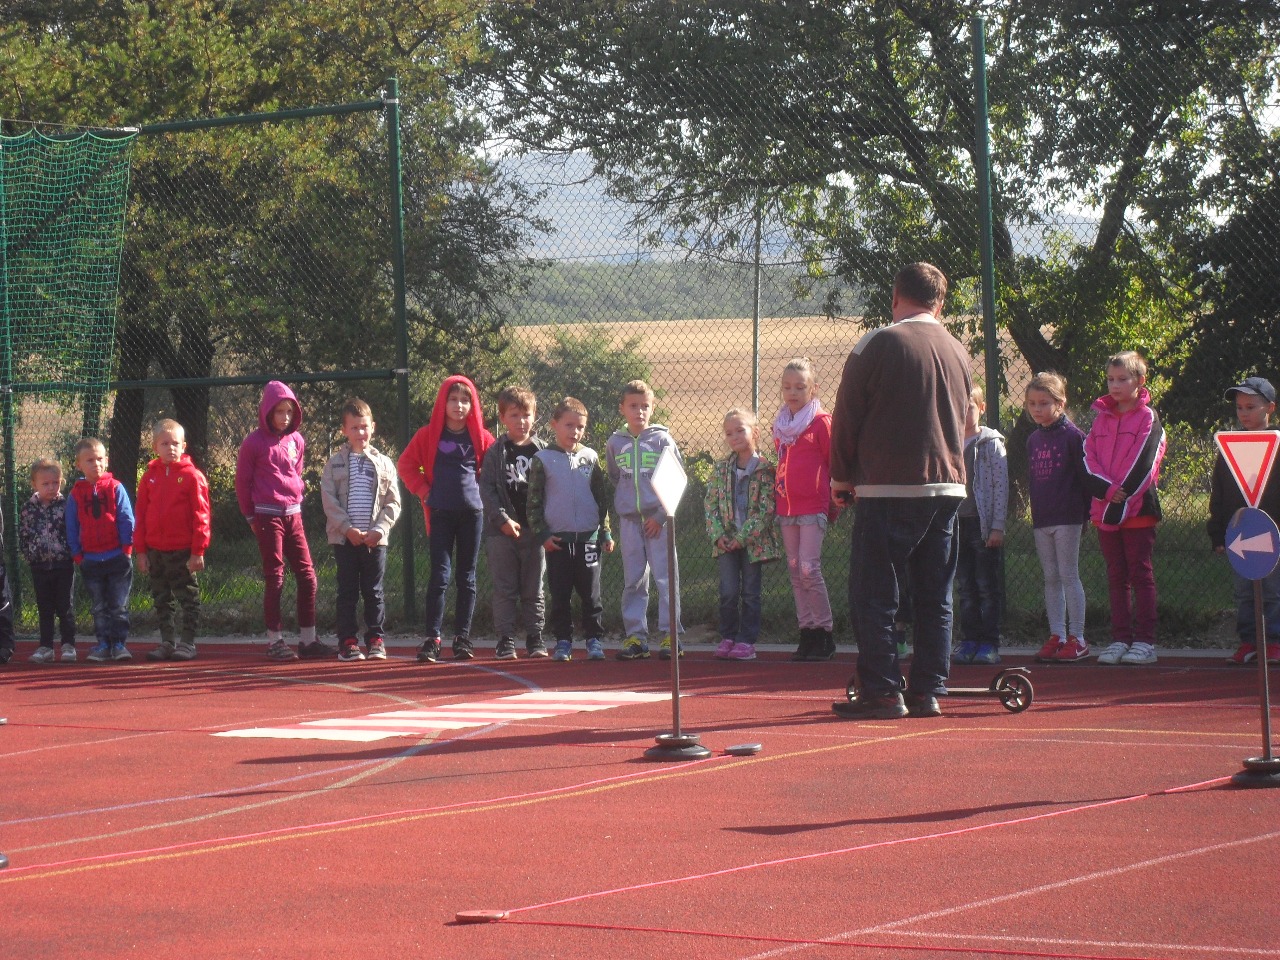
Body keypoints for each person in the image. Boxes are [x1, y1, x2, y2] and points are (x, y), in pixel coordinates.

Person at [829, 262, 971, 720]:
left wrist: (840, 476)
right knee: (935, 592)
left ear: (895, 297)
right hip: (947, 484)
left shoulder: (878, 342)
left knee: (875, 592)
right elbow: (964, 420)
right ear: (939, 303)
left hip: (888, 485)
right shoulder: (958, 350)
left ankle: (884, 691)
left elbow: (847, 416)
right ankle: (929, 689)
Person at [398, 374, 495, 663]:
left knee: (467, 577)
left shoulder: (482, 438)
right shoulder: (427, 435)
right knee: (440, 576)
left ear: (473, 405)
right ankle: (433, 638)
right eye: (453, 399)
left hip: (472, 515)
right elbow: (406, 465)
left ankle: (462, 638)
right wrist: (424, 491)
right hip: (440, 514)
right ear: (443, 402)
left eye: (465, 400)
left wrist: (483, 494)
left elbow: (492, 471)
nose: (459, 405)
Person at [235, 381, 329, 661]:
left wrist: (296, 501)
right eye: (279, 411)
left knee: (308, 576)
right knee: (275, 576)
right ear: (267, 411)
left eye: (289, 411)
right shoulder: (253, 443)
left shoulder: (296, 441)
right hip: (267, 516)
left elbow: (296, 474)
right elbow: (242, 483)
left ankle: (308, 640)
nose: (285, 417)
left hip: (293, 515)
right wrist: (251, 516)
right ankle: (275, 640)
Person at [1084, 351, 1166, 665]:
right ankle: (1120, 639)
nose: (1115, 385)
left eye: (1122, 379)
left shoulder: (1148, 417)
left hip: (1138, 509)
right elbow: (1088, 457)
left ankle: (1145, 642)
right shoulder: (1100, 418)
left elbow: (1146, 461)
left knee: (1140, 573)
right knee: (1116, 575)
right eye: (1110, 379)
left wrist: (1123, 494)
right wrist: (1106, 491)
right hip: (1105, 509)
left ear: (1139, 381)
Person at [528, 397, 614, 661]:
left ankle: (594, 640)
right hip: (558, 540)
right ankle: (563, 641)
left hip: (589, 539)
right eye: (569, 425)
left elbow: (601, 499)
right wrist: (543, 534)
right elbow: (533, 502)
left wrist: (605, 531)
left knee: (591, 594)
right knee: (560, 593)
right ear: (554, 424)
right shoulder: (542, 459)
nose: (575, 431)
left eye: (580, 427)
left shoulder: (591, 457)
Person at [606, 379, 684, 660]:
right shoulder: (615, 443)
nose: (639, 411)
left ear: (652, 408)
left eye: (644, 406)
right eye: (633, 406)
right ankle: (636, 637)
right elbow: (615, 476)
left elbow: (676, 480)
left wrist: (660, 516)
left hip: (658, 523)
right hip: (629, 522)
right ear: (622, 408)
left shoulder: (662, 440)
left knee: (665, 578)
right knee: (634, 581)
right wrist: (628, 507)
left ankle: (670, 635)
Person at [321, 398, 402, 662]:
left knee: (374, 591)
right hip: (345, 541)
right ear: (344, 430)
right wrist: (347, 529)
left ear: (373, 427)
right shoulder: (334, 464)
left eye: (364, 427)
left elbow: (393, 502)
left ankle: (376, 639)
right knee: (347, 591)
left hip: (374, 542)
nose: (360, 433)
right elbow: (329, 501)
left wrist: (379, 530)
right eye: (354, 428)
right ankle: (347, 642)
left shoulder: (385, 463)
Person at [1207, 377, 1280, 665]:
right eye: (1239, 408)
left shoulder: (1277, 444)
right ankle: (1249, 641)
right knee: (1244, 592)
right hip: (1239, 533)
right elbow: (1219, 492)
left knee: (1273, 591)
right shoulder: (1230, 447)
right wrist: (1217, 532)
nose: (1244, 413)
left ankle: (1274, 642)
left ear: (1270, 408)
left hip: (1273, 532)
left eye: (1251, 407)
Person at [773, 357, 839, 661]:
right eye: (787, 387)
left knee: (809, 568)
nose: (793, 392)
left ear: (813, 389)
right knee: (794, 568)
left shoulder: (821, 422)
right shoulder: (781, 425)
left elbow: (833, 462)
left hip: (813, 505)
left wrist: (834, 501)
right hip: (787, 507)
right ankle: (807, 632)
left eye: (800, 387)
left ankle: (825, 633)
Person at [704, 408, 782, 661]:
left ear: (754, 432)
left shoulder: (765, 469)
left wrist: (743, 538)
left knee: (750, 592)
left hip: (752, 543)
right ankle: (728, 636)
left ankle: (746, 640)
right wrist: (719, 535)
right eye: (729, 433)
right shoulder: (720, 469)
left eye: (740, 430)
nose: (734, 436)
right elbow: (710, 505)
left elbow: (766, 509)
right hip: (725, 542)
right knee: (728, 591)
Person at [1024, 372, 1092, 662]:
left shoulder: (1074, 437)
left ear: (1060, 403)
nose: (1037, 409)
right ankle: (1057, 635)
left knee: (1068, 574)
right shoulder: (1033, 440)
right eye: (1032, 403)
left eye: (1044, 403)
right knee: (1050, 576)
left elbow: (1085, 479)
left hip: (1068, 516)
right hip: (1043, 518)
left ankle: (1078, 637)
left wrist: (1085, 514)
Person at [135, 419, 212, 662]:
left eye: (175, 443)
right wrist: (141, 551)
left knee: (188, 597)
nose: (171, 448)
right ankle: (167, 641)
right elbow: (141, 514)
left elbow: (201, 515)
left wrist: (198, 551)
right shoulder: (148, 478)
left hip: (182, 550)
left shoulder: (192, 477)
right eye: (165, 443)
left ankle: (188, 642)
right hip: (155, 551)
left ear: (184, 446)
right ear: (155, 447)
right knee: (161, 599)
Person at [479, 386, 547, 660]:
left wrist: (543, 524)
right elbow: (487, 489)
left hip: (534, 532)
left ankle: (535, 637)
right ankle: (505, 640)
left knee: (534, 589)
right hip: (501, 533)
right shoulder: (496, 451)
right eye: (514, 415)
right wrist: (502, 519)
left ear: (535, 416)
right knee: (505, 589)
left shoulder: (543, 451)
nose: (521, 421)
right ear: (503, 417)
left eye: (526, 415)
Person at [66, 438, 135, 663]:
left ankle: (119, 644)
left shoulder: (115, 487)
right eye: (89, 460)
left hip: (117, 557)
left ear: (106, 460)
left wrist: (127, 548)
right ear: (78, 465)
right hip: (91, 560)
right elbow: (71, 525)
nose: (96, 464)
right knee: (99, 606)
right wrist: (78, 555)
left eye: (99, 459)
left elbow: (126, 518)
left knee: (118, 605)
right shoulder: (76, 494)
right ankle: (103, 644)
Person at [952, 386, 1008, 665]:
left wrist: (997, 526)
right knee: (965, 587)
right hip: (956, 525)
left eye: (969, 407)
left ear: (982, 408)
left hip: (982, 526)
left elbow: (1001, 487)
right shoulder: (948, 443)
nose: (964, 413)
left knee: (986, 586)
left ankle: (989, 643)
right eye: (958, 407)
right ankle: (969, 640)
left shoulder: (990, 444)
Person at [18, 459, 76, 663]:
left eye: (55, 482)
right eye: (45, 484)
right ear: (34, 484)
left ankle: (68, 645)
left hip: (63, 564)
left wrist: (71, 553)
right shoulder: (28, 509)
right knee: (44, 607)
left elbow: (73, 531)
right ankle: (46, 646)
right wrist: (30, 555)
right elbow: (23, 534)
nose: (51, 487)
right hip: (39, 566)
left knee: (65, 606)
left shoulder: (67, 505)